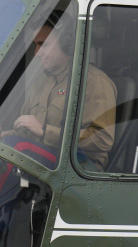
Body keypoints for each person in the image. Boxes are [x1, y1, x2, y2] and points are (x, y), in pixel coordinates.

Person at [9, 11, 116, 171]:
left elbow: (103, 139)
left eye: (43, 45)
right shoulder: (40, 83)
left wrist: (46, 132)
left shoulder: (94, 82)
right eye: (35, 45)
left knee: (17, 147)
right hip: (42, 159)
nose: (37, 53)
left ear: (66, 43)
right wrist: (9, 134)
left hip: (79, 166)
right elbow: (28, 130)